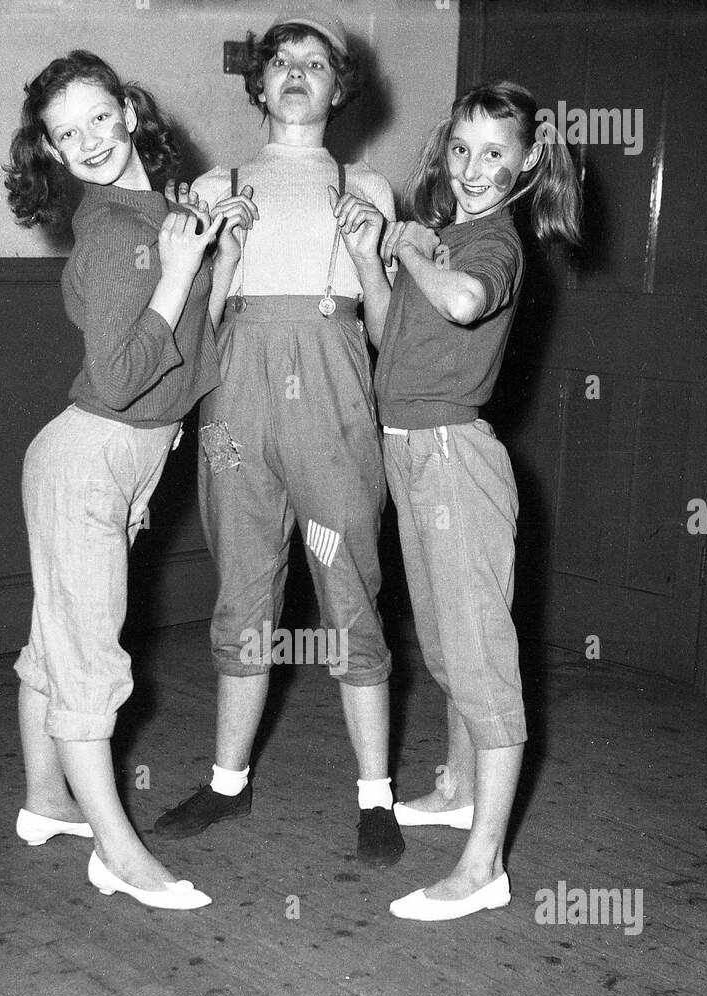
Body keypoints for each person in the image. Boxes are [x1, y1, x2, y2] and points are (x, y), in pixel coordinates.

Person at [154, 11, 406, 868]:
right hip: (236, 401)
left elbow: (386, 329)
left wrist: (369, 258)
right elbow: (198, 321)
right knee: (244, 584)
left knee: (349, 583)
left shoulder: (368, 187)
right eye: (281, 61)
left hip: (334, 398)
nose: (296, 71)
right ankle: (228, 782)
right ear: (258, 85)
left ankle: (375, 796)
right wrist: (220, 255)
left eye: (316, 62)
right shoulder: (215, 181)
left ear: (340, 89)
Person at [4, 50, 250, 911]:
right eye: (65, 134)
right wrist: (182, 272)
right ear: (51, 153)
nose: (88, 141)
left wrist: (210, 250)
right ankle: (115, 849)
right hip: (93, 455)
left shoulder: (159, 215)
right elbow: (116, 379)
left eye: (98, 117)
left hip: (120, 460)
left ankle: (44, 798)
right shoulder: (117, 232)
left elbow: (190, 352)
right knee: (89, 661)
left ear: (130, 111)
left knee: (59, 640)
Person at [330, 80, 581, 918]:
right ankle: (458, 788)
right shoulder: (446, 235)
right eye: (463, 151)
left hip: (453, 462)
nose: (474, 169)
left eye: (495, 155)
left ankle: (484, 869)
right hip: (409, 453)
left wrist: (411, 253)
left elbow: (465, 301)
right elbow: (387, 334)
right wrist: (376, 254)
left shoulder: (494, 244)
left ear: (526, 162)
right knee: (444, 645)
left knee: (481, 662)